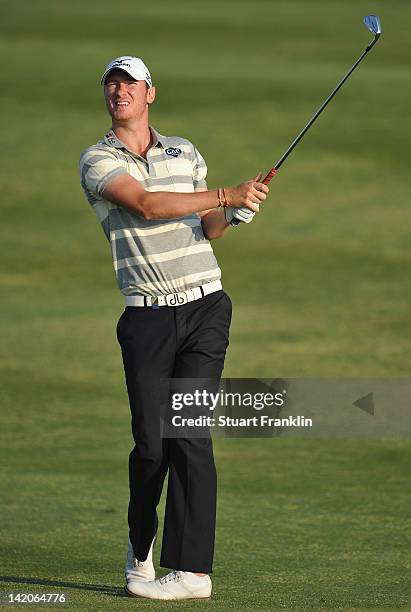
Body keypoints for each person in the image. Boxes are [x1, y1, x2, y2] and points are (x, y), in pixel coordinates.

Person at [79, 55, 269, 601]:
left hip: (206, 307)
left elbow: (206, 226)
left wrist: (235, 211)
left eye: (129, 83)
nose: (119, 91)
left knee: (189, 433)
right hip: (147, 318)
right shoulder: (97, 160)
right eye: (111, 84)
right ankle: (141, 548)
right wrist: (224, 197)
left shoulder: (183, 151)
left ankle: (192, 573)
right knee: (151, 448)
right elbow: (147, 204)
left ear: (150, 93)